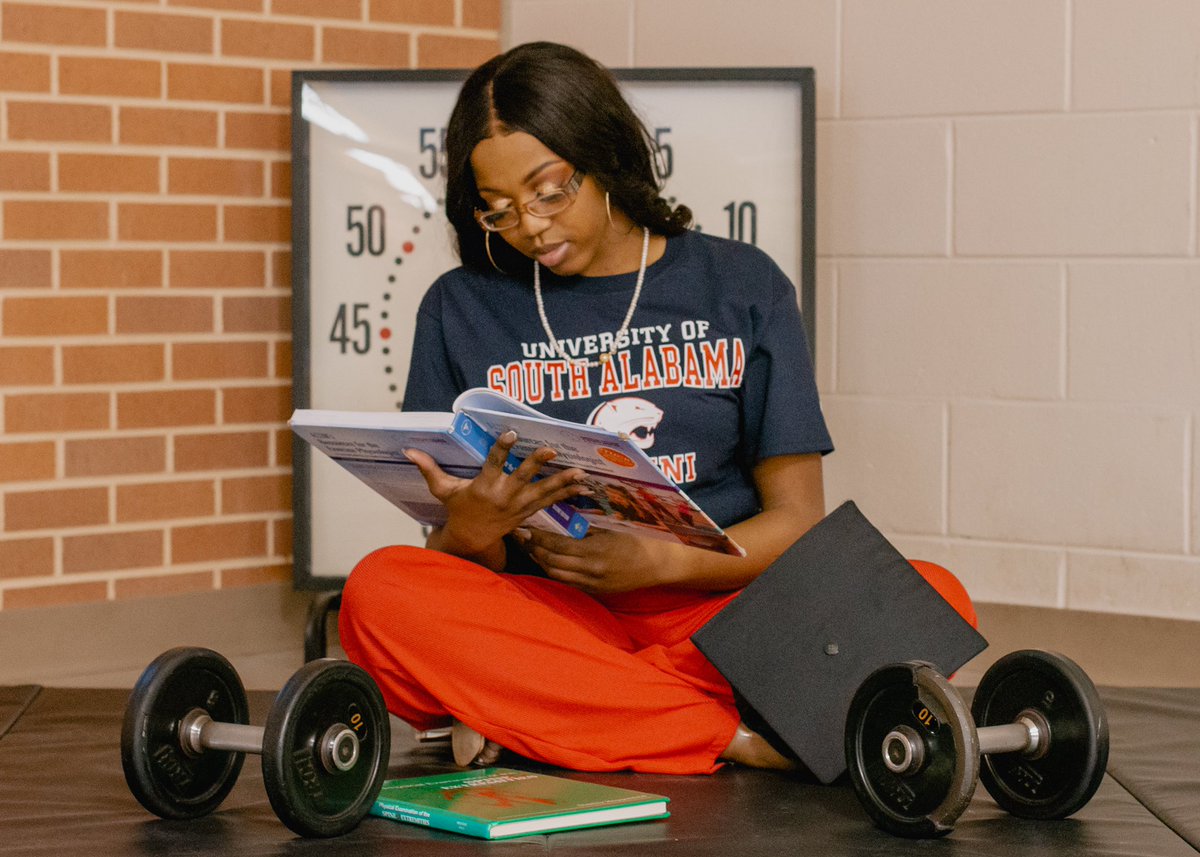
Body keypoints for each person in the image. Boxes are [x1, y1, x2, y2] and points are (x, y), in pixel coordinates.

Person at [338, 41, 973, 775]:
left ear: (602, 153)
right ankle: (732, 736)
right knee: (380, 593)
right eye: (500, 210)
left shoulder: (740, 284)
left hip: (724, 616)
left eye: (549, 192)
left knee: (932, 595)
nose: (533, 227)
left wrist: (659, 562)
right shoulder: (457, 307)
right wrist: (471, 530)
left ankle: (563, 714)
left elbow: (797, 521)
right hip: (554, 620)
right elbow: (447, 566)